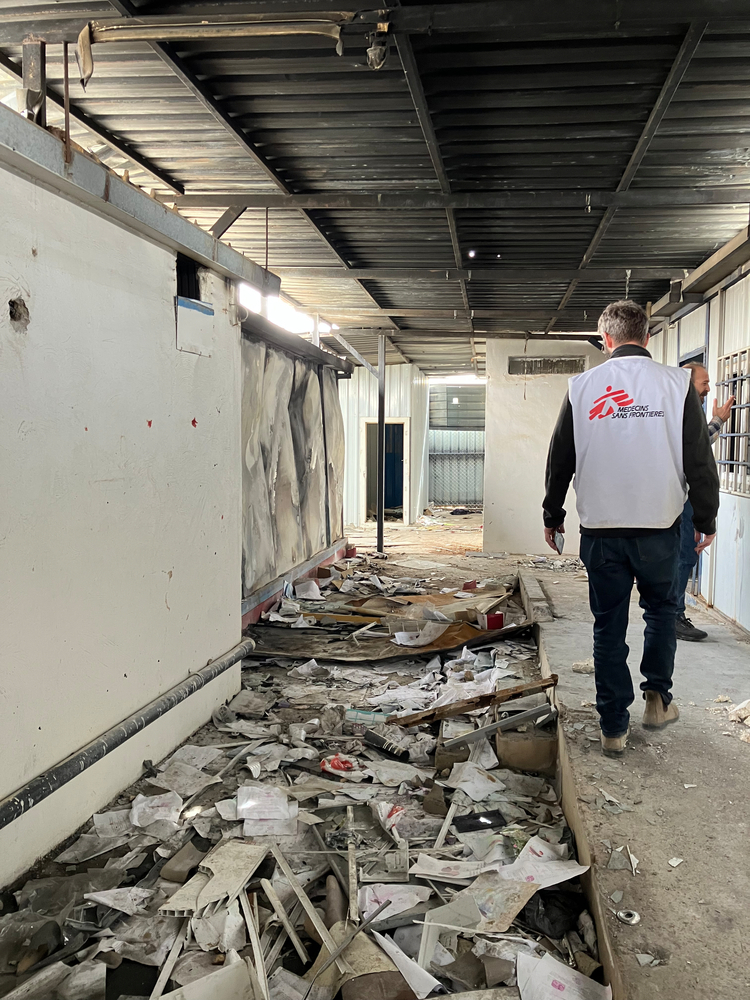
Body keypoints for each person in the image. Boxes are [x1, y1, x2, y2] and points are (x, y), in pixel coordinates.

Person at [542, 300, 720, 757]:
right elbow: (698, 458)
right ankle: (658, 700)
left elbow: (560, 456)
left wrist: (552, 513)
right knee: (661, 612)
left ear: (606, 340)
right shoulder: (676, 384)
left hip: (601, 528)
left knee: (608, 626)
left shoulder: (582, 386)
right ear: (647, 335)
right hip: (660, 525)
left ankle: (613, 728)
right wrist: (706, 518)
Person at [672, 363, 734, 641]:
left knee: (682, 556)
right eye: (704, 383)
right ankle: (673, 616)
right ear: (689, 383)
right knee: (684, 556)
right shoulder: (683, 409)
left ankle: (670, 614)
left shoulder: (676, 406)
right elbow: (697, 448)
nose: (708, 388)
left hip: (679, 497)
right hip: (679, 497)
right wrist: (718, 421)